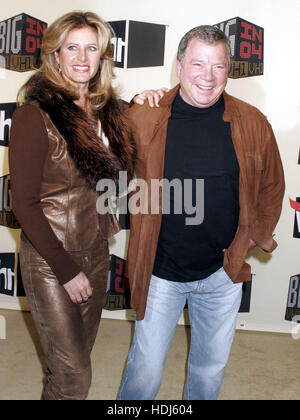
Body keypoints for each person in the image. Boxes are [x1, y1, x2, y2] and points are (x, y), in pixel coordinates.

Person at [118, 25, 285, 400]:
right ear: (179, 66)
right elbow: (108, 165)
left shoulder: (253, 122)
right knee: (144, 370)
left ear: (229, 70)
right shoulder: (146, 115)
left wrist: (255, 234)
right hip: (160, 271)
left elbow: (272, 185)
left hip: (222, 275)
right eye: (197, 64)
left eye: (218, 66)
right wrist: (133, 104)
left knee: (209, 373)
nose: (208, 77)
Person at [9, 11, 136, 400]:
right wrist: (65, 270)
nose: (82, 57)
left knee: (66, 368)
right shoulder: (35, 115)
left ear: (103, 56)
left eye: (91, 48)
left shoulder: (110, 112)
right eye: (72, 47)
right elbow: (25, 204)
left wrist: (151, 99)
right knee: (75, 377)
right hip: (51, 261)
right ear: (56, 55)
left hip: (96, 253)